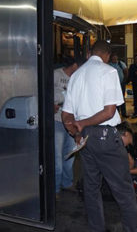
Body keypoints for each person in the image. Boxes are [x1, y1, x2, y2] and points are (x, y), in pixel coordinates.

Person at [62, 40, 137, 232]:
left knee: (91, 187)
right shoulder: (109, 71)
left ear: (90, 53)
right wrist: (84, 123)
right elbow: (108, 112)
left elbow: (66, 115)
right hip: (104, 136)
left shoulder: (76, 75)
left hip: (85, 139)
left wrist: (76, 132)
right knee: (123, 189)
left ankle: (96, 228)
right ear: (106, 55)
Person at [54, 56, 79, 194]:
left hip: (72, 122)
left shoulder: (77, 78)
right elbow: (44, 92)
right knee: (57, 157)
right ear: (74, 65)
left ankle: (67, 183)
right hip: (57, 121)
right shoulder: (56, 75)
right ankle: (55, 188)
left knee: (70, 154)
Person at [109, 53, 129, 118]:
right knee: (114, 98)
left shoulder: (121, 64)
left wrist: (125, 80)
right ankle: (116, 112)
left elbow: (126, 71)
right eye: (113, 58)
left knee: (122, 98)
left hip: (121, 83)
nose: (114, 59)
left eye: (115, 58)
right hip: (113, 84)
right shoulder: (109, 65)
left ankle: (123, 113)